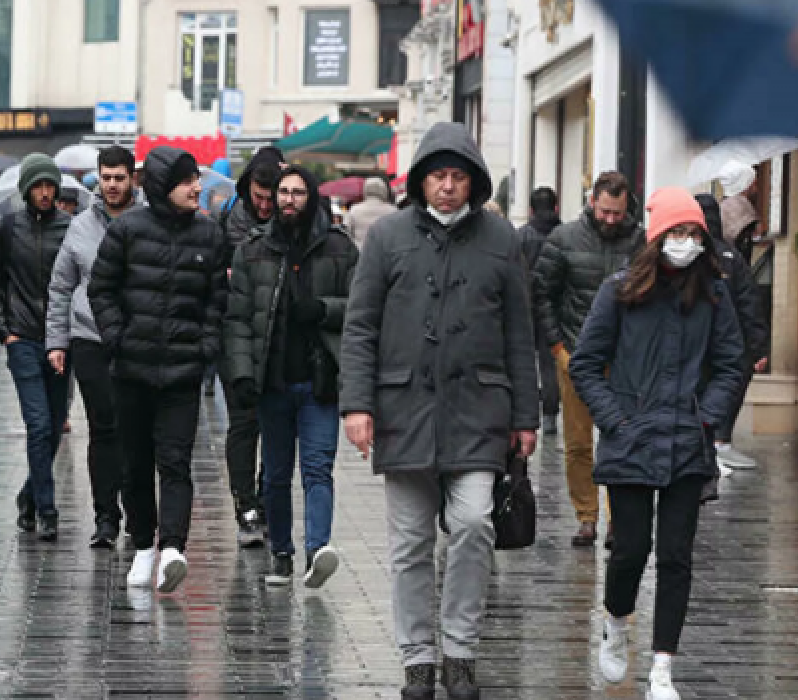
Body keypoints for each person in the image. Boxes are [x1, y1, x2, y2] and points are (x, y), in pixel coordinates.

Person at [338, 122, 538, 700]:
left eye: (457, 177)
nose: (447, 187)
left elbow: (518, 332)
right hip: (404, 409)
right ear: (420, 180)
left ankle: (461, 651)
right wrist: (357, 404)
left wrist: (525, 415)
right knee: (408, 544)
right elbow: (360, 325)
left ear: (472, 181)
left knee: (474, 523)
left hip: (480, 408)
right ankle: (418, 658)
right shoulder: (387, 236)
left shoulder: (501, 238)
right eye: (437, 176)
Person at [569, 187, 745, 700]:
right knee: (629, 550)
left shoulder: (713, 293)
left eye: (693, 234)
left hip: (687, 443)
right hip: (631, 437)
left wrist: (707, 418)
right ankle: (616, 621)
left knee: (675, 555)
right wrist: (616, 420)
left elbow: (732, 363)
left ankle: (662, 666)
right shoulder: (620, 290)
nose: (685, 242)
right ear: (656, 236)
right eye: (677, 233)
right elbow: (586, 363)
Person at [88, 146, 228, 594]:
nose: (197, 188)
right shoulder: (127, 230)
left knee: (176, 460)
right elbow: (101, 289)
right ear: (167, 187)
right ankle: (144, 545)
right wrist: (117, 337)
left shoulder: (208, 234)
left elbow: (217, 301)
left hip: (182, 373)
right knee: (134, 464)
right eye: (188, 182)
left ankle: (172, 548)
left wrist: (206, 346)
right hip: (131, 369)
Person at [225, 164, 358, 588]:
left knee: (318, 468)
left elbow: (361, 307)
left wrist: (323, 309)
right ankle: (281, 553)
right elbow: (239, 318)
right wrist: (242, 374)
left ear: (312, 196)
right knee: (277, 474)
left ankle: (318, 548)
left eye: (297, 192)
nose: (288, 200)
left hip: (319, 380)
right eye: (283, 192)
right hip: (273, 380)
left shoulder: (339, 249)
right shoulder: (252, 250)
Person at [533, 171, 642, 548]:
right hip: (577, 354)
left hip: (625, 359)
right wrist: (556, 347)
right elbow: (542, 293)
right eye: (605, 211)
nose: (611, 219)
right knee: (578, 442)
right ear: (593, 202)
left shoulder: (639, 240)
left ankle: (617, 518)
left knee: (622, 437)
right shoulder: (563, 240)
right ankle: (586, 516)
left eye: (618, 213)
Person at [46, 145, 140, 549]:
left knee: (133, 430)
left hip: (136, 339)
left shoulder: (148, 222)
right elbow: (62, 286)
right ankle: (106, 516)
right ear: (98, 178)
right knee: (103, 427)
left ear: (132, 179)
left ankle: (138, 513)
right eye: (107, 177)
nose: (113, 185)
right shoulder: (80, 226)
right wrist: (57, 341)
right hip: (89, 338)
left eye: (120, 178)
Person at [0, 153, 72, 541]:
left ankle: (28, 497)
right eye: (38, 186)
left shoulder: (70, 227)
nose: (45, 193)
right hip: (22, 338)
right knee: (37, 425)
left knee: (52, 427)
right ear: (26, 189)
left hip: (60, 340)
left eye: (50, 185)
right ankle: (47, 510)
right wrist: (4, 332)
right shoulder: (7, 227)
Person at [222, 151, 284, 546]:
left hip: (280, 343)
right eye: (257, 197)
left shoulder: (291, 225)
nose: (263, 206)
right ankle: (246, 505)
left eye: (269, 198)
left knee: (275, 426)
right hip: (239, 338)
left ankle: (267, 499)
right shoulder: (227, 226)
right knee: (244, 425)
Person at [696, 194, 769, 472]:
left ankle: (710, 440)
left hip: (700, 343)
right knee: (726, 388)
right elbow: (749, 303)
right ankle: (719, 438)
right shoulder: (731, 258)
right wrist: (757, 346)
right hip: (729, 343)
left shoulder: (695, 254)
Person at [516, 186, 563, 435]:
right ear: (555, 207)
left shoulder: (522, 236)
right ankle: (550, 415)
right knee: (549, 361)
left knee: (523, 359)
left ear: (531, 209)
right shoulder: (564, 234)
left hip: (526, 305)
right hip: (554, 306)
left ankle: (526, 411)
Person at [717, 161, 762, 262]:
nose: (756, 189)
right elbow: (743, 249)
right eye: (754, 184)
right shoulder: (743, 210)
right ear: (746, 185)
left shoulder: (721, 207)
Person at [344, 176, 394, 246]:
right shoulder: (393, 211)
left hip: (360, 251)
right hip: (385, 252)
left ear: (365, 190)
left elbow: (346, 232)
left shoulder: (354, 210)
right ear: (384, 190)